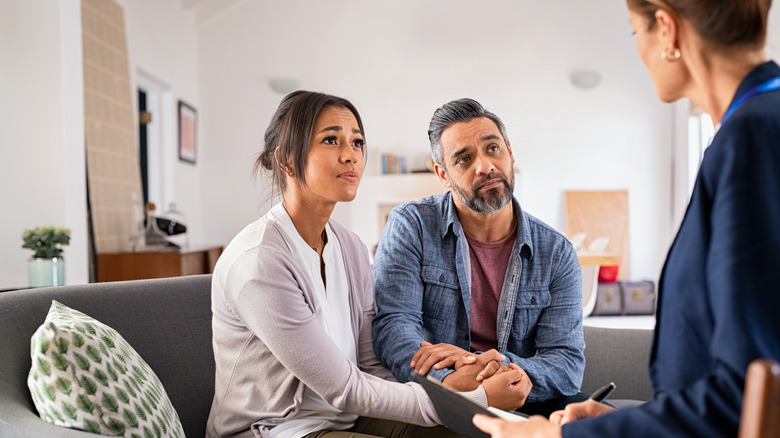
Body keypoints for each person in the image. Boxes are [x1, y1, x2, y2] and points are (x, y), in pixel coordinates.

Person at [472, 0, 780, 437]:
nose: (639, 51)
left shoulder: (753, 138)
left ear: (666, 29)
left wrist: (556, 436)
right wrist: (622, 421)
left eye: (637, 33)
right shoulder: (754, 126)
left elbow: (752, 396)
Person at [206, 90, 523, 438]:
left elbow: (371, 366)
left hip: (348, 418)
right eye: (331, 140)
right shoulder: (260, 261)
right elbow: (345, 387)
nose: (350, 156)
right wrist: (470, 396)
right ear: (287, 160)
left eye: (357, 142)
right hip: (279, 430)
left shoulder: (351, 248)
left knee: (476, 432)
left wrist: (449, 388)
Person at [372, 98, 588, 418]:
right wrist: (455, 384)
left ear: (510, 152)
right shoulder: (411, 225)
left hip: (523, 394)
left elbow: (566, 360)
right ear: (443, 174)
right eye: (464, 158)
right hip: (443, 395)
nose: (485, 166)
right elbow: (395, 327)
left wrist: (497, 368)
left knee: (608, 421)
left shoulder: (556, 252)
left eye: (492, 149)